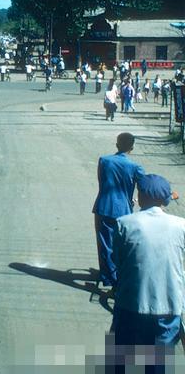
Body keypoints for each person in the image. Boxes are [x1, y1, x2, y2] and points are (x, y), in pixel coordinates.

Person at [111, 174, 183, 368]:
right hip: (169, 305)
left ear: (141, 196)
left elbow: (116, 260)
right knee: (157, 363)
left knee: (121, 359)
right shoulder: (182, 226)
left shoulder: (124, 223)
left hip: (131, 304)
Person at [92, 132, 145, 287]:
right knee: (123, 244)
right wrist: (134, 199)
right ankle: (121, 275)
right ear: (132, 147)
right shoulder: (135, 167)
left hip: (104, 206)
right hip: (124, 210)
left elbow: (101, 181)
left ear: (117, 145)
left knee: (105, 244)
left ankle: (108, 278)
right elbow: (144, 187)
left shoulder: (104, 161)